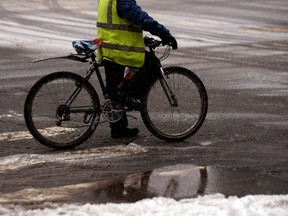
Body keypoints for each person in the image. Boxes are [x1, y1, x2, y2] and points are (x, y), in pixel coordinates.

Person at [97, 0, 178, 138]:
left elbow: (120, 23)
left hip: (108, 47)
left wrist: (142, 39)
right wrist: (164, 33)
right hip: (120, 50)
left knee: (114, 91)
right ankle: (130, 97)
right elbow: (139, 17)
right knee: (151, 64)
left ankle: (119, 128)